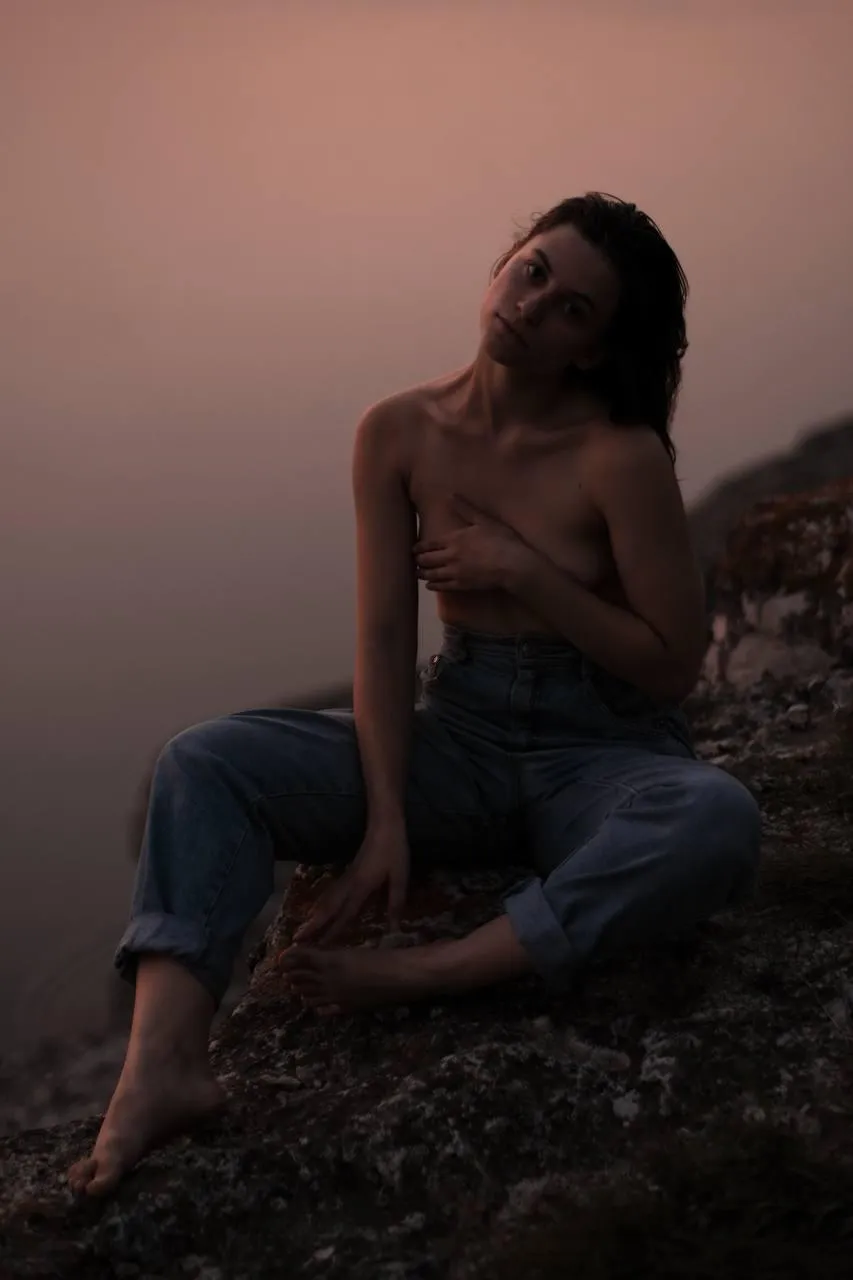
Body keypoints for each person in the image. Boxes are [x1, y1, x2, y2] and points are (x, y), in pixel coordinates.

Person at [69, 193, 761, 1196]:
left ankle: (438, 969)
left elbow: (667, 666)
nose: (533, 304)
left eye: (572, 308)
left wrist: (524, 569)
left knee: (715, 817)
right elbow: (385, 641)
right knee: (204, 757)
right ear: (501, 264)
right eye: (532, 270)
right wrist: (387, 817)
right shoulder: (396, 429)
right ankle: (161, 1067)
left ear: (594, 348)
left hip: (602, 753)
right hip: (463, 738)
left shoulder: (621, 457)